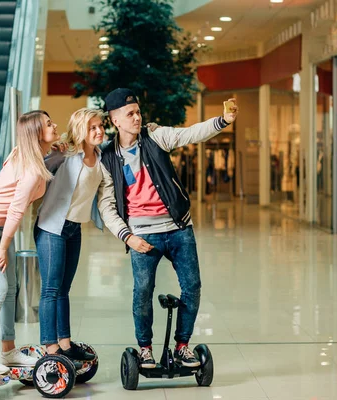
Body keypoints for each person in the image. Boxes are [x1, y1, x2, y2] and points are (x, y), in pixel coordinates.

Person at [97, 88, 238, 368]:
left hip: (178, 227)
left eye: (138, 111)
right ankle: (145, 349)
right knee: (142, 292)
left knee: (192, 287)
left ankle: (183, 346)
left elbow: (189, 134)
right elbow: (106, 205)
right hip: (142, 234)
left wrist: (222, 121)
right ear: (115, 121)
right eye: (130, 114)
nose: (137, 117)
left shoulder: (154, 135)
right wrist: (128, 237)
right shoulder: (107, 157)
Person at [0, 110, 58, 374]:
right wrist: (3, 248)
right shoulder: (31, 169)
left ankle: (9, 351)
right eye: (49, 124)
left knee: (11, 288)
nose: (55, 125)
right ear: (36, 133)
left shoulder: (30, 156)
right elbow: (16, 210)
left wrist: (52, 146)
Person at [33, 108, 107, 365]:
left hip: (74, 228)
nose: (98, 131)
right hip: (51, 227)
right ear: (81, 131)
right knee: (51, 289)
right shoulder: (64, 154)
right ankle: (50, 347)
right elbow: (36, 168)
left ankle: (65, 343)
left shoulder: (100, 156)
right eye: (92, 128)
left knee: (64, 289)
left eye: (100, 126)